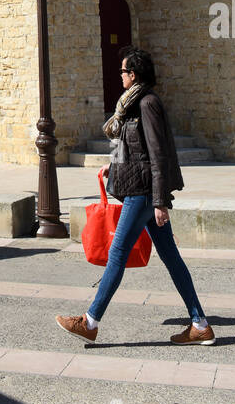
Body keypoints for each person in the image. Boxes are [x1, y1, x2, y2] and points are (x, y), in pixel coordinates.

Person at [56, 48, 214, 345]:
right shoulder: (130, 104)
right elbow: (130, 146)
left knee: (117, 253)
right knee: (171, 257)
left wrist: (159, 201)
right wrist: (113, 167)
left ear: (134, 75)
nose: (120, 76)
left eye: (123, 71)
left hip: (143, 193)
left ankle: (90, 322)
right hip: (138, 187)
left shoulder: (148, 103)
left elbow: (158, 153)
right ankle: (200, 324)